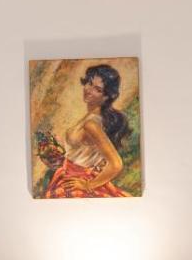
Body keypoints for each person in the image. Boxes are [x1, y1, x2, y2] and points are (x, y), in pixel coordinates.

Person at [43, 64, 131, 198]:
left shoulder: (92, 124)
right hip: (67, 174)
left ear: (106, 97)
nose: (88, 90)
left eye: (97, 89)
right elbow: (83, 152)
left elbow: (116, 164)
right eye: (89, 83)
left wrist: (87, 185)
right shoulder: (90, 118)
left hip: (77, 178)